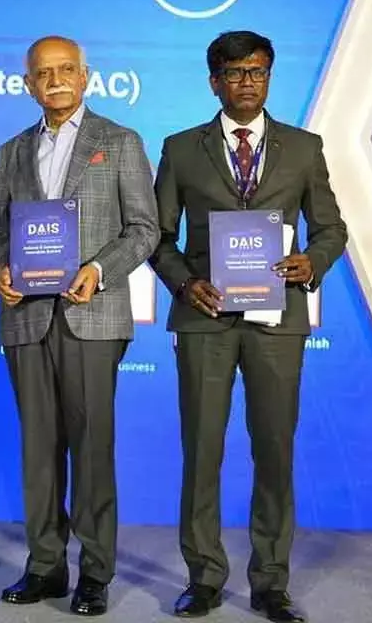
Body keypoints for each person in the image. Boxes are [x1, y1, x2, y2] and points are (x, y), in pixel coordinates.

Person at [150, 31, 347, 623]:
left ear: (270, 76)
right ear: (214, 81)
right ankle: (204, 577)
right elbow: (157, 237)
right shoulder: (182, 148)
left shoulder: (305, 148)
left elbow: (331, 228)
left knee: (274, 451)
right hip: (205, 320)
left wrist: (313, 261)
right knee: (202, 451)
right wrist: (186, 283)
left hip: (276, 321)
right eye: (234, 73)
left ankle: (270, 582)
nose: (246, 83)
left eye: (257, 72)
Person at [0, 35, 158, 616]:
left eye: (65, 70)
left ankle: (95, 573)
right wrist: (1, 268)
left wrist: (98, 270)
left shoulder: (120, 141)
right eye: (42, 73)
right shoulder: (9, 152)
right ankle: (45, 566)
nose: (54, 80)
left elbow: (144, 229)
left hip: (92, 314)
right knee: (38, 449)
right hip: (27, 317)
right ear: (28, 84)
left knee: (90, 448)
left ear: (86, 76)